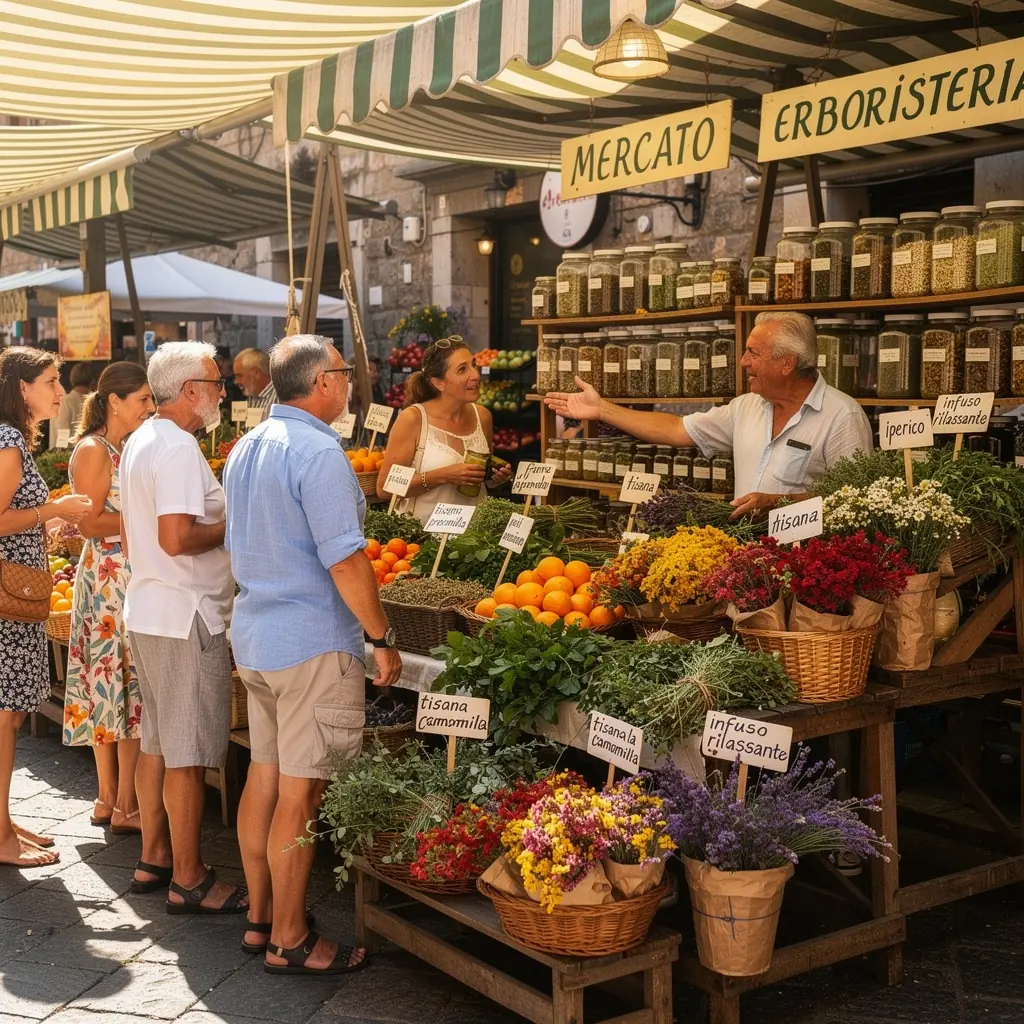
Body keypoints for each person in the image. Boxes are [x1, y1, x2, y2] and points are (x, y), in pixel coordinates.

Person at [225, 334, 400, 974]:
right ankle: (291, 939)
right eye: (344, 371)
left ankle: (261, 918)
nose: (350, 380)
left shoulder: (247, 445)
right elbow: (347, 559)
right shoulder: (320, 451)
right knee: (301, 793)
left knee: (266, 778)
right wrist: (379, 637)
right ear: (322, 382)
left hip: (257, 637)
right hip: (310, 643)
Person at [119, 341, 246, 914]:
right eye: (216, 384)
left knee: (159, 743)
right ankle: (189, 877)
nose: (223, 392)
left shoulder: (144, 438)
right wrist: (231, 528)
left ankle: (155, 856)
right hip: (185, 612)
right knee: (187, 755)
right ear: (191, 390)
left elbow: (137, 539)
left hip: (150, 609)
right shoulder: (174, 448)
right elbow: (176, 538)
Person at [545, 311, 873, 519]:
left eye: (753, 353)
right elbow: (675, 429)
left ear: (786, 363)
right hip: (745, 561)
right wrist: (602, 409)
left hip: (810, 570)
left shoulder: (842, 416)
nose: (743, 362)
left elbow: (857, 500)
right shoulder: (746, 407)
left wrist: (777, 503)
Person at [0, 349, 92, 867]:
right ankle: (1, 837)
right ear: (21, 388)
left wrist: (45, 522)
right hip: (9, 601)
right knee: (4, 718)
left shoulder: (9, 438)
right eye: (51, 381)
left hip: (17, 592)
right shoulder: (7, 439)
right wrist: (52, 509)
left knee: (7, 717)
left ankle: (2, 820)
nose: (61, 391)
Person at [63, 362, 155, 835]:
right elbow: (88, 523)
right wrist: (146, 521)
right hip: (108, 580)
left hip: (120, 576)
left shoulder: (124, 446)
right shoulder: (94, 449)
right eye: (142, 398)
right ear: (114, 401)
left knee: (117, 689)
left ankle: (112, 801)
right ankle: (119, 804)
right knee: (116, 689)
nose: (150, 407)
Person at [377, 337, 512, 520]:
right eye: (462, 369)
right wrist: (443, 475)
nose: (475, 375)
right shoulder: (413, 419)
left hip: (473, 540)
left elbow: (483, 479)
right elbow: (385, 488)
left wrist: (495, 478)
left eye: (474, 365)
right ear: (438, 383)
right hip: (422, 540)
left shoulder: (483, 417)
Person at [49, 362, 98, 448]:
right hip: (73, 455)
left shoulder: (65, 401)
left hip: (64, 456)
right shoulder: (94, 403)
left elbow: (62, 430)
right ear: (93, 381)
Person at [233, 348, 276, 418]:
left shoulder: (280, 399)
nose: (236, 382)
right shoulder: (251, 396)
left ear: (256, 373)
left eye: (239, 376)